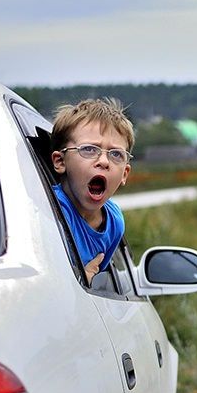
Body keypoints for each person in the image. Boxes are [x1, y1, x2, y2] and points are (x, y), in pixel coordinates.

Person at [50, 98, 134, 283]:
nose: (104, 161)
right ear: (60, 161)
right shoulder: (49, 213)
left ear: (124, 174)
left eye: (116, 154)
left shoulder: (114, 222)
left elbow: (97, 280)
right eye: (88, 149)